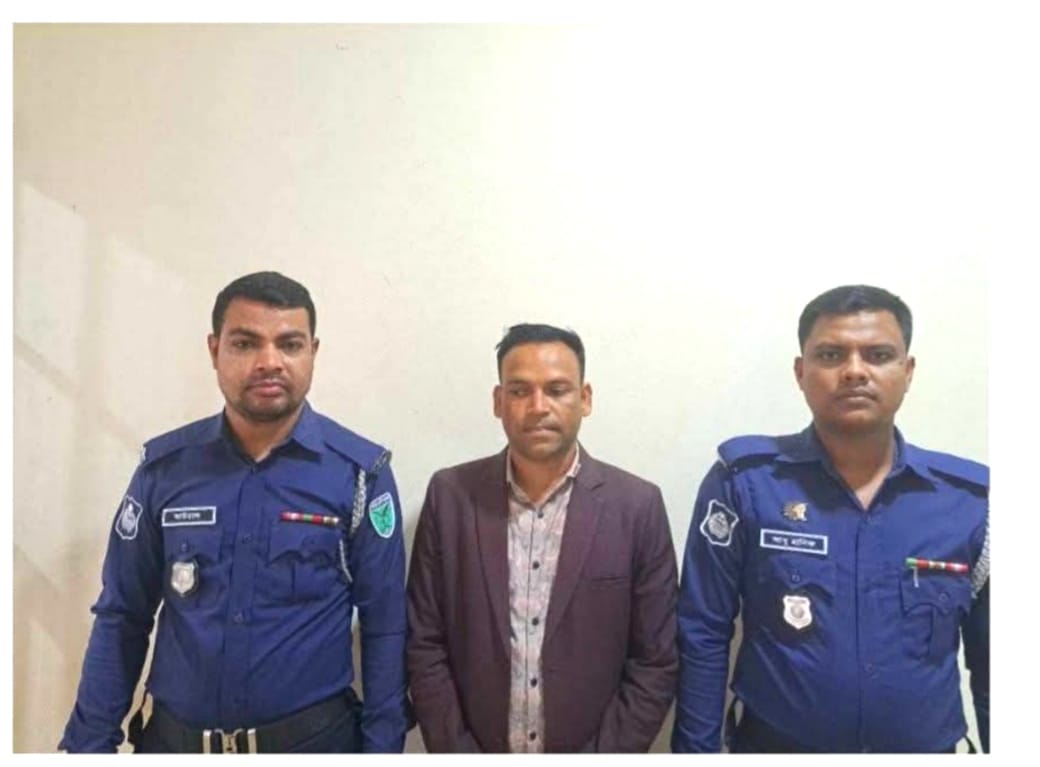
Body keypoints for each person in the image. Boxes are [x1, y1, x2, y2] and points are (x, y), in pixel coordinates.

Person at [59, 271, 408, 753]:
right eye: (245, 344)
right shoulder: (165, 471)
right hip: (174, 745)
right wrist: (88, 747)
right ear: (214, 350)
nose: (269, 362)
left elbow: (385, 626)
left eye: (290, 344)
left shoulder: (360, 476)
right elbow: (123, 615)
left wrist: (384, 750)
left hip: (313, 745)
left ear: (313, 352)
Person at [671, 284, 989, 753]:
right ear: (801, 372)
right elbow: (702, 634)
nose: (854, 371)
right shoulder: (745, 484)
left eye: (878, 355)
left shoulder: (970, 502)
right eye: (831, 355)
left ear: (907, 371)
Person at [407, 323, 677, 752]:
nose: (538, 407)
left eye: (556, 390)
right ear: (498, 401)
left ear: (585, 398)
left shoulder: (637, 507)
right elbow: (424, 642)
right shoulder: (450, 497)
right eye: (519, 391)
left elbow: (655, 662)